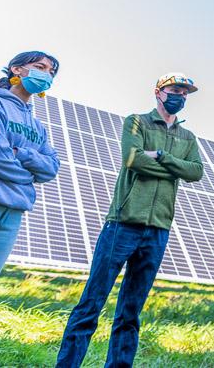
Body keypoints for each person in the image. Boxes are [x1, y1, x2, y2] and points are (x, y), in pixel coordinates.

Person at [56, 73, 203, 368]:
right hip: (123, 224)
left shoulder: (188, 138)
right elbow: (133, 160)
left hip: (158, 230)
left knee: (131, 310)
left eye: (185, 93)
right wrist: (174, 168)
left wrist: (161, 156)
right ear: (159, 92)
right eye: (175, 90)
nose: (180, 96)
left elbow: (196, 172)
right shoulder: (137, 122)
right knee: (91, 303)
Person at [0, 51, 61, 277]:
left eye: (51, 72)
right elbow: (0, 157)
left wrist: (21, 153)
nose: (47, 75)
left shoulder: (37, 127)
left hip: (14, 210)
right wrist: (28, 177)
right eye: (40, 67)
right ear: (16, 69)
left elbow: (52, 167)